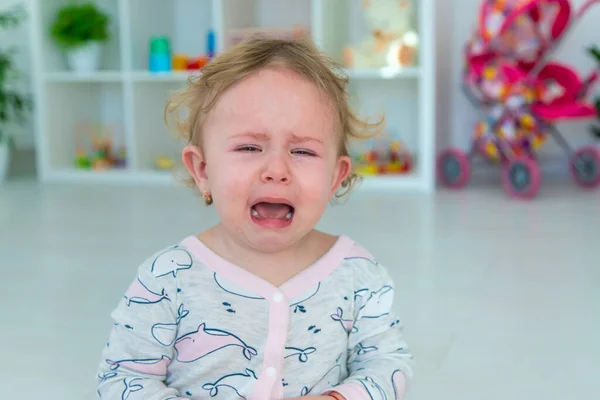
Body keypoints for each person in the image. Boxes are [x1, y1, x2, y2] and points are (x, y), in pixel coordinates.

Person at [95, 35, 414, 400]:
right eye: (249, 147)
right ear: (202, 170)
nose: (276, 170)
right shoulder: (167, 278)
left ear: (336, 177)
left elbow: (388, 363)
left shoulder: (358, 273)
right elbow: (123, 378)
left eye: (303, 151)